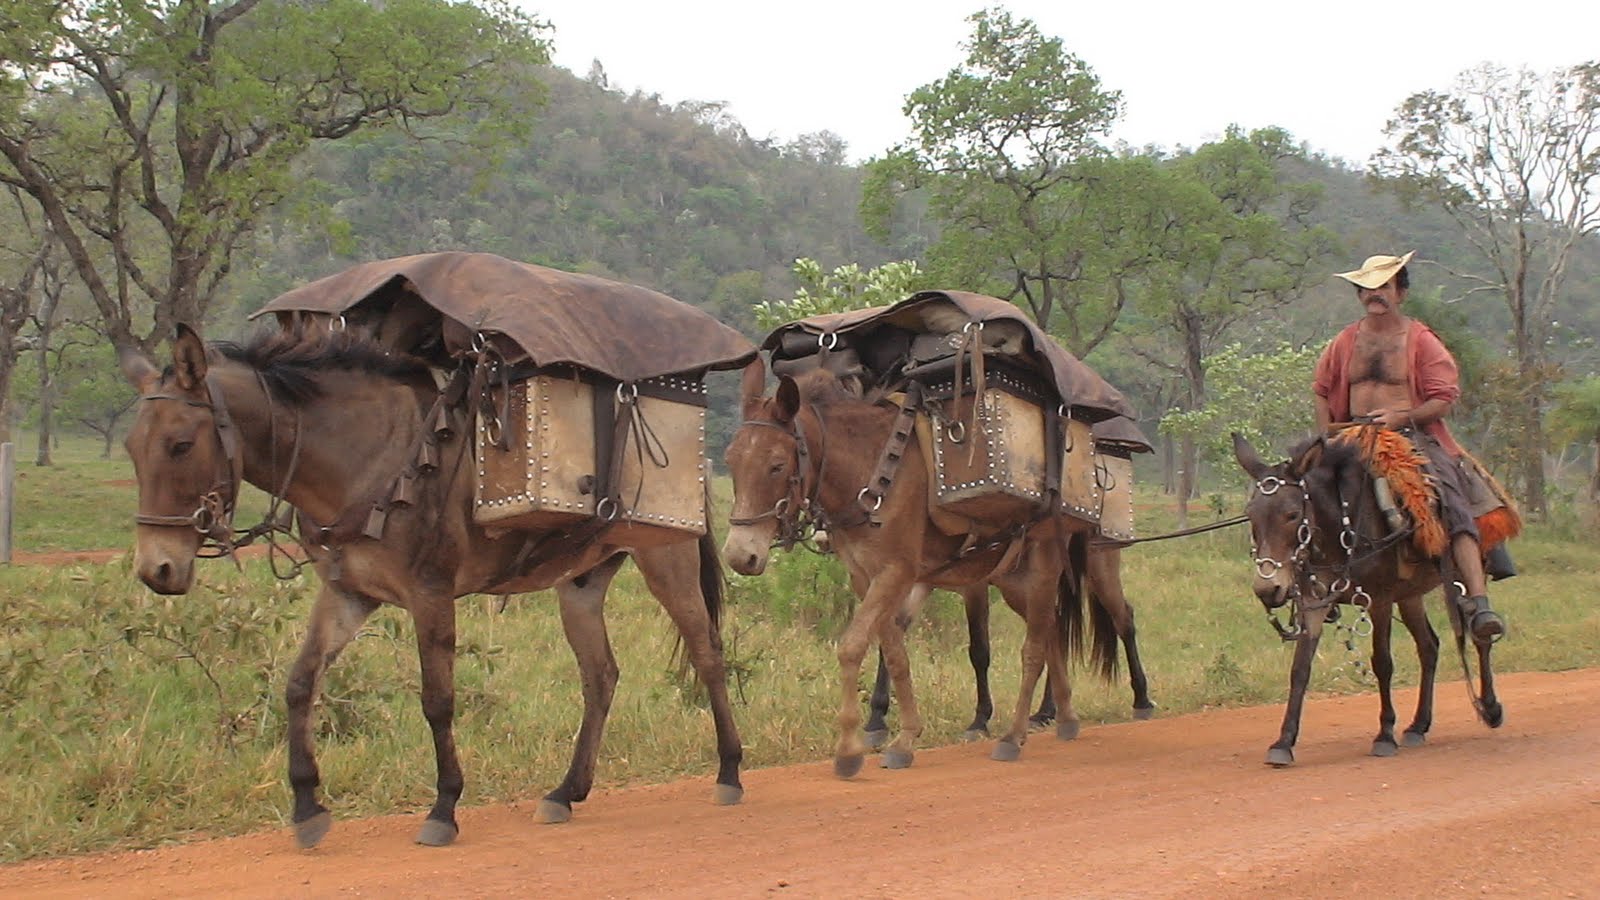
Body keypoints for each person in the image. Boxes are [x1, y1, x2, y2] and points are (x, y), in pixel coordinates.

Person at [1312, 251, 1507, 644]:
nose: (1374, 295)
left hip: (1412, 436)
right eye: (1367, 289)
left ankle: (1478, 601)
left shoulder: (1421, 340)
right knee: (1297, 493)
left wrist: (1402, 418)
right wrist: (1325, 436)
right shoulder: (1344, 342)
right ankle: (1318, 579)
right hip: (1348, 436)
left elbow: (1443, 398)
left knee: (1452, 500)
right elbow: (1321, 389)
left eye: (1383, 286)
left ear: (1400, 291)